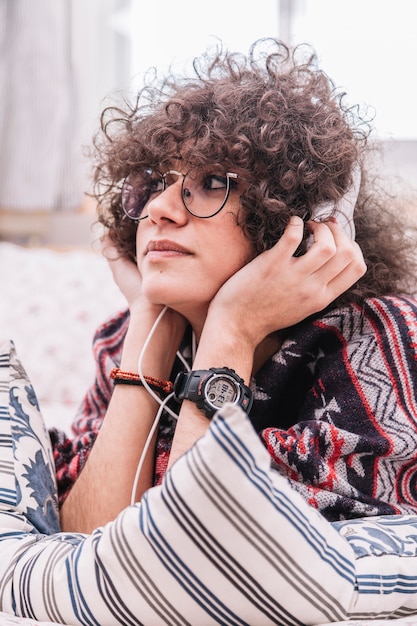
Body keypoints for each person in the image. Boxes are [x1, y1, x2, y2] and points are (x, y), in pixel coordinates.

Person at [2, 37, 417, 625]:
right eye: (152, 184)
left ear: (299, 217)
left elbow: (201, 558)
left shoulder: (381, 341)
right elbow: (89, 559)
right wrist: (150, 318)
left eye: (212, 182)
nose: (159, 210)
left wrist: (232, 331)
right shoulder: (129, 336)